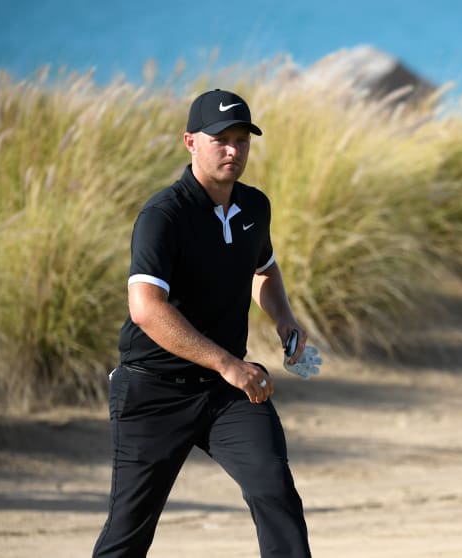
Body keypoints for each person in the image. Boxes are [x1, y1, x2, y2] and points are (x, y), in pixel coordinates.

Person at [92, 89, 318, 558]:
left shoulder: (254, 207)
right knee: (129, 533)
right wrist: (227, 364)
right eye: (221, 139)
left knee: (274, 491)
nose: (233, 150)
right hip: (153, 391)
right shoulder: (163, 215)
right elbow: (146, 309)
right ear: (190, 142)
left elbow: (264, 270)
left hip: (225, 394)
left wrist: (285, 320)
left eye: (242, 139)